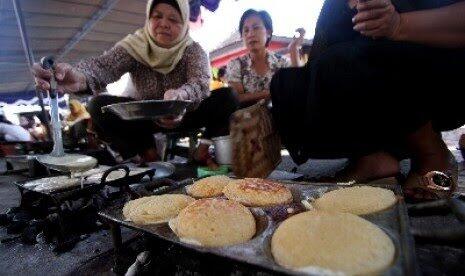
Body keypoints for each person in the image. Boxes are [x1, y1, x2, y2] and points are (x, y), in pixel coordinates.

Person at [270, 0, 465, 200]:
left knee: (342, 61)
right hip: (379, 65)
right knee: (289, 83)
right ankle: (371, 155)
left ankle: (431, 152)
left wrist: (399, 24)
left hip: (445, 63)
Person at [32, 0, 238, 164]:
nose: (164, 23)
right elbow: (103, 67)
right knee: (97, 105)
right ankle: (147, 153)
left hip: (187, 114)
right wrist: (80, 76)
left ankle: (202, 149)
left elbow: (201, 83)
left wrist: (181, 98)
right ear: (148, 19)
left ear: (184, 23)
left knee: (228, 97)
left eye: (174, 19)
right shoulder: (134, 46)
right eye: (157, 16)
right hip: (144, 121)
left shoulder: (193, 50)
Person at [226, 9, 305, 107]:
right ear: (242, 37)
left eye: (256, 28)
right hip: (250, 121)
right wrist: (271, 93)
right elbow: (236, 98)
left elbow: (300, 86)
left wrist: (293, 49)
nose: (250, 34)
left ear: (268, 32)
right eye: (246, 30)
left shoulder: (281, 63)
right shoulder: (235, 65)